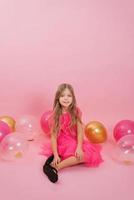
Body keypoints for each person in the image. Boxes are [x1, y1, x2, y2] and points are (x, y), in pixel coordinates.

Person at [41, 83, 103, 183]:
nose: (66, 98)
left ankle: (52, 166)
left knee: (89, 154)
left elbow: (80, 131)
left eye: (69, 96)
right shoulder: (55, 116)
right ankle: (56, 167)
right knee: (80, 157)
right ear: (58, 98)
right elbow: (53, 137)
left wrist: (79, 147)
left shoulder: (76, 111)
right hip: (63, 141)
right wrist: (56, 154)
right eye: (62, 96)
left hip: (74, 139)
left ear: (73, 98)